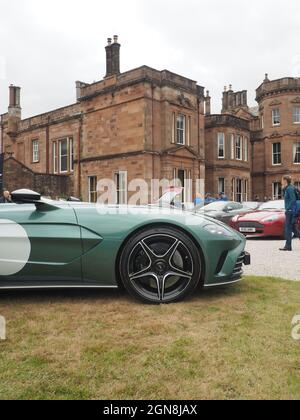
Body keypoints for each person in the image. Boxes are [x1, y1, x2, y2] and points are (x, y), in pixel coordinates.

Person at [280, 176, 297, 252]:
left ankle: (288, 246)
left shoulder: (289, 188)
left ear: (285, 180)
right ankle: (288, 245)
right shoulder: (287, 188)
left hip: (290, 211)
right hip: (290, 210)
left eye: (282, 180)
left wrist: (289, 208)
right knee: (293, 228)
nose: (281, 181)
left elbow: (293, 199)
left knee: (288, 229)